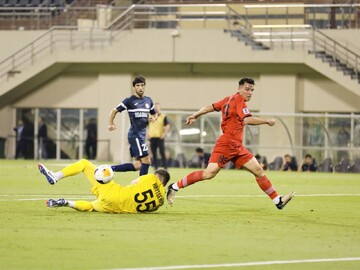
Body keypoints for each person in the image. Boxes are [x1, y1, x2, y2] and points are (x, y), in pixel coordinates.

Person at [166, 77, 294, 210]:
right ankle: (174, 186)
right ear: (239, 89)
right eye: (247, 89)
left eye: (252, 90)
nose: (250, 92)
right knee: (208, 173)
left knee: (258, 170)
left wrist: (195, 115)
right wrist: (266, 121)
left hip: (237, 146)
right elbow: (247, 120)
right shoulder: (239, 101)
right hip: (227, 144)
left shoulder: (227, 99)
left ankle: (277, 200)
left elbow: (210, 107)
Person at [37, 159, 170, 213]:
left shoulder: (152, 178)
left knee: (84, 164)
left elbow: (133, 183)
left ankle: (55, 176)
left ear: (158, 176)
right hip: (114, 208)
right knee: (92, 206)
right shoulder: (161, 201)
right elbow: (149, 210)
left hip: (115, 193)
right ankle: (67, 203)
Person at [108, 76, 157, 176]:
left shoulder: (148, 101)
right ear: (134, 87)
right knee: (147, 161)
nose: (140, 88)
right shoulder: (129, 101)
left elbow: (154, 113)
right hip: (135, 135)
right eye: (138, 85)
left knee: (138, 165)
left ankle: (109, 168)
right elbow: (114, 111)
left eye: (142, 85)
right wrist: (111, 124)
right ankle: (142, 185)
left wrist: (153, 118)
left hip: (141, 136)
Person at [147, 102, 170, 170]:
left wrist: (164, 134)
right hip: (152, 137)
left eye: (157, 107)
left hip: (160, 137)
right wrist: (147, 134)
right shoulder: (150, 116)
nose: (156, 108)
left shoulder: (163, 116)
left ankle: (165, 167)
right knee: (154, 153)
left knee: (162, 152)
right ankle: (156, 167)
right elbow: (146, 126)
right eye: (155, 107)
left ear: (159, 107)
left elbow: (167, 126)